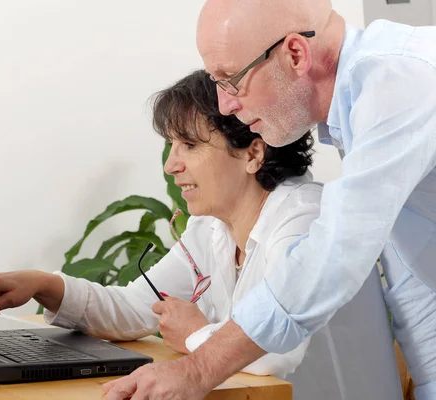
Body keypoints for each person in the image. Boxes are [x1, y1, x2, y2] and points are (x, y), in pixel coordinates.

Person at [0, 70, 401, 399]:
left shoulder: (305, 220)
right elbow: (136, 309)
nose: (171, 165)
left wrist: (194, 334)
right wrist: (43, 285)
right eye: (171, 146)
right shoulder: (211, 227)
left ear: (252, 152)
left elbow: (273, 352)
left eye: (189, 146)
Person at [102, 1, 436, 399]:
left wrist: (199, 367)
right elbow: (419, 274)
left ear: (295, 54)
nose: (225, 105)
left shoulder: (396, 80)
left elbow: (334, 255)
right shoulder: (361, 106)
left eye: (230, 80)